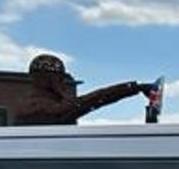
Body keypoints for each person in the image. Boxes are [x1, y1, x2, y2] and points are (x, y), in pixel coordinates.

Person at [12, 53, 163, 126]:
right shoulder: (44, 107)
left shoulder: (32, 104)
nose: (62, 83)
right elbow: (93, 100)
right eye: (59, 79)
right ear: (47, 79)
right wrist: (134, 88)